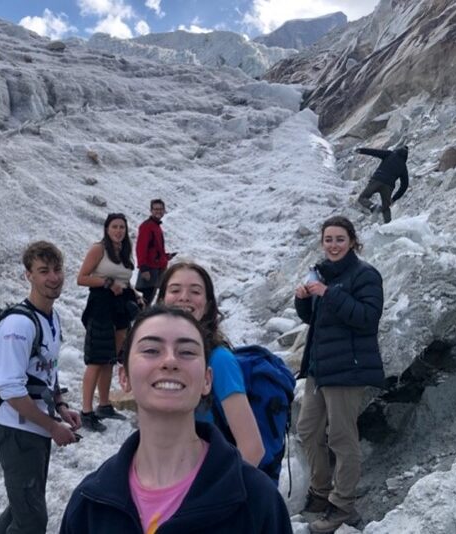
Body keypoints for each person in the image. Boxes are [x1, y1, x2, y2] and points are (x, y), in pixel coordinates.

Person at [60, 306, 293, 534]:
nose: (170, 361)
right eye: (151, 350)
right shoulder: (90, 504)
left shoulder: (257, 500)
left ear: (207, 380)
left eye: (187, 352)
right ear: (124, 377)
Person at [294, 216, 384, 534]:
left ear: (352, 242)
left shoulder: (365, 275)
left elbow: (367, 318)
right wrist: (303, 299)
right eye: (328, 239)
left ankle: (343, 505)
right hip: (320, 368)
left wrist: (328, 293)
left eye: (339, 239)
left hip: (348, 369)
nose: (333, 245)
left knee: (342, 438)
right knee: (307, 430)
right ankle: (320, 491)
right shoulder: (322, 273)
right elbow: (315, 320)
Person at [0, 241, 81, 534]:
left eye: (57, 269)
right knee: (31, 522)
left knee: (22, 508)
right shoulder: (18, 325)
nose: (53, 278)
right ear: (28, 275)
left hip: (35, 430)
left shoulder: (51, 317)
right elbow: (11, 390)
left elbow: (47, 370)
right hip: (17, 433)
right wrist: (53, 427)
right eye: (43, 271)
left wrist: (61, 406)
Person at [157, 262, 265, 468]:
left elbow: (252, 448)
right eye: (175, 290)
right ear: (162, 300)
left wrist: (217, 493)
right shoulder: (155, 359)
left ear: (207, 305)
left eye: (195, 291)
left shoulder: (219, 360)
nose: (184, 297)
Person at [77, 213, 143, 432]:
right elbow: (82, 278)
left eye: (122, 227)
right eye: (114, 227)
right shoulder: (99, 249)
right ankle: (86, 412)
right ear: (106, 229)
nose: (118, 231)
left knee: (109, 358)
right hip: (101, 305)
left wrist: (135, 293)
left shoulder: (123, 251)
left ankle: (104, 405)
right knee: (96, 359)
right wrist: (107, 283)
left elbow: (124, 279)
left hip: (121, 307)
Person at [135, 199, 176, 306]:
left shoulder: (156, 226)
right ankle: (139, 320)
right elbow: (141, 248)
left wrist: (166, 257)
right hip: (150, 269)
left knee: (151, 298)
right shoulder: (147, 226)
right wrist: (143, 267)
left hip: (157, 268)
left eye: (161, 209)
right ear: (151, 211)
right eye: (156, 209)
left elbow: (155, 248)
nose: (158, 211)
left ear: (164, 211)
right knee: (146, 300)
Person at [356, 145, 409, 223]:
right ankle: (389, 225)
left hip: (377, 180)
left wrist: (361, 150)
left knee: (362, 198)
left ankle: (373, 207)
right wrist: (394, 198)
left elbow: (375, 152)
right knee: (386, 208)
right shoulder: (403, 167)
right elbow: (404, 185)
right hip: (389, 186)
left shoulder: (389, 154)